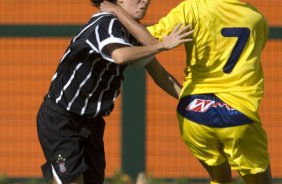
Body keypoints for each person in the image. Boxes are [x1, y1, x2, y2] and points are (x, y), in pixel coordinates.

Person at [100, 0, 272, 183]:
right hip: (238, 114)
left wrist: (117, 10)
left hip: (194, 113)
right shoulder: (257, 18)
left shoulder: (192, 8)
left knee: (220, 179)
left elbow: (145, 39)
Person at [36, 0, 194, 183]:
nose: (145, 1)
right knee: (72, 180)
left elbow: (160, 75)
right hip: (61, 119)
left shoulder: (130, 31)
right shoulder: (106, 23)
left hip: (90, 123)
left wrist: (190, 101)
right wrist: (160, 46)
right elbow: (119, 56)